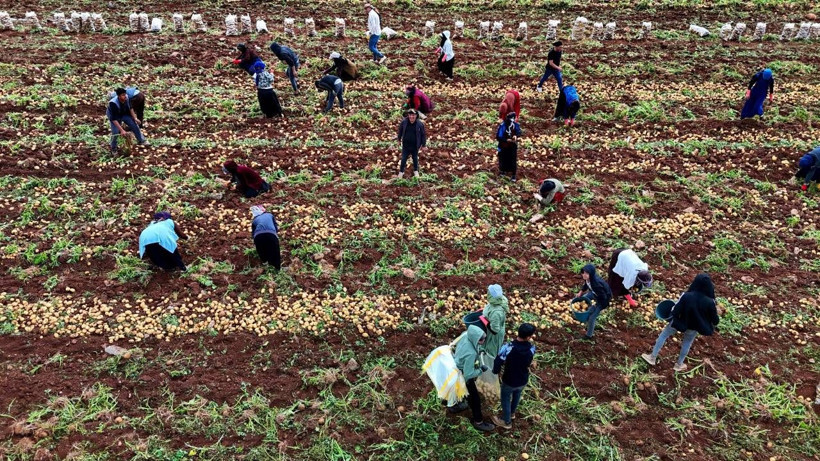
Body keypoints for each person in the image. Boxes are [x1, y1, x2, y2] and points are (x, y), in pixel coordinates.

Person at [641, 274, 719, 372]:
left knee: (663, 335)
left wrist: (672, 313)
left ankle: (652, 357)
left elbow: (675, 311)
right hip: (693, 327)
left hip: (679, 322)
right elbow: (715, 320)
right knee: (687, 343)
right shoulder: (710, 302)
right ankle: (679, 364)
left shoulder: (686, 296)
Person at [449, 325, 495, 432]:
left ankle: (455, 405)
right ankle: (478, 422)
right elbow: (468, 375)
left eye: (484, 339)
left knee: (457, 389)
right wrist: (480, 370)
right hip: (461, 374)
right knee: (475, 399)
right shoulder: (471, 353)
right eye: (481, 340)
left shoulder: (465, 335)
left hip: (454, 365)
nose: (483, 341)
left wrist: (481, 350)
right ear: (475, 339)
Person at [491, 323, 536, 430]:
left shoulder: (508, 347)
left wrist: (496, 372)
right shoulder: (532, 348)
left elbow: (498, 361)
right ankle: (512, 413)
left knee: (505, 399)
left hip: (509, 380)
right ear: (529, 337)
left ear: (518, 332)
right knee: (517, 395)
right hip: (523, 379)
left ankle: (506, 422)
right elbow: (529, 361)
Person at [576, 264, 612, 340]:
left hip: (603, 300)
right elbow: (586, 285)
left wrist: (596, 305)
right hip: (594, 293)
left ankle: (589, 335)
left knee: (591, 317)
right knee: (583, 298)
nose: (584, 275)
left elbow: (604, 297)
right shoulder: (588, 279)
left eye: (586, 273)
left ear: (591, 274)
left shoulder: (596, 285)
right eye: (583, 272)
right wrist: (581, 292)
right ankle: (582, 312)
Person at [107, 88, 148, 154]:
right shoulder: (113, 103)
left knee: (134, 125)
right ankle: (113, 148)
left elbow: (130, 108)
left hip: (124, 113)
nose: (125, 96)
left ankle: (141, 140)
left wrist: (135, 118)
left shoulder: (127, 98)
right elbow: (114, 119)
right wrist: (121, 130)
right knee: (115, 132)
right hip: (115, 117)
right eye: (123, 95)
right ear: (119, 96)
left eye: (125, 94)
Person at [396, 109, 427, 179]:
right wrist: (398, 140)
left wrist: (424, 145)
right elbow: (400, 131)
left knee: (415, 158)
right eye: (410, 115)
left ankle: (416, 171)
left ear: (416, 116)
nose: (411, 117)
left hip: (415, 145)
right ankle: (401, 172)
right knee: (403, 159)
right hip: (406, 145)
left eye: (413, 115)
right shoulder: (404, 122)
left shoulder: (419, 124)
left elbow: (423, 135)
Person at [483, 284, 509, 359]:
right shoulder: (498, 300)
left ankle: (490, 366)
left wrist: (484, 321)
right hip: (494, 325)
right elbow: (490, 307)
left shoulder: (496, 313)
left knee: (491, 352)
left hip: (494, 335)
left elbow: (494, 331)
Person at [250, 205, 281, 269]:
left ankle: (265, 264)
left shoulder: (254, 220)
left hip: (258, 237)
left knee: (261, 250)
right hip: (270, 234)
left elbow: (253, 233)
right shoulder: (269, 215)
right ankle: (277, 268)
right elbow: (275, 227)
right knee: (275, 251)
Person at [496, 112, 522, 181]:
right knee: (503, 158)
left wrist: (516, 136)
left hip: (512, 146)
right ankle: (503, 171)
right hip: (504, 146)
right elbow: (498, 136)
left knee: (512, 159)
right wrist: (506, 140)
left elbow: (519, 132)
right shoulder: (503, 125)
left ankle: (513, 175)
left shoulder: (515, 125)